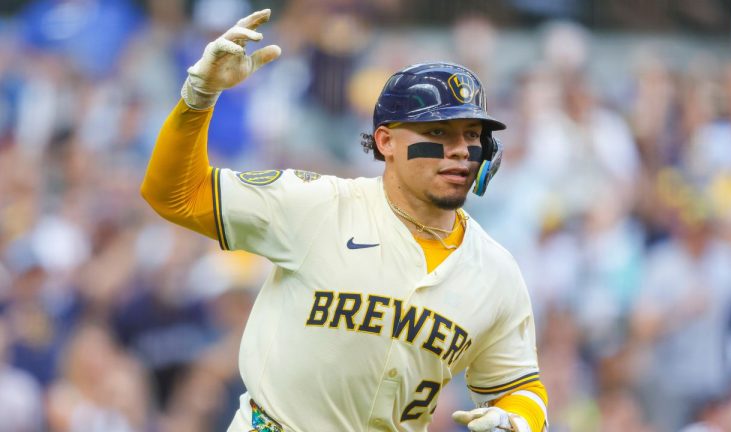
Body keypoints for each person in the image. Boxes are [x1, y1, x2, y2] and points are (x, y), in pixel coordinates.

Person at [141, 9, 548, 432]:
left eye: (472, 134)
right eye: (439, 134)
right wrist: (198, 98)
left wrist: (517, 419)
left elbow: (519, 386)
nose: (462, 149)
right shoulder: (317, 204)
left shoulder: (496, 271)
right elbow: (174, 195)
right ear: (385, 141)